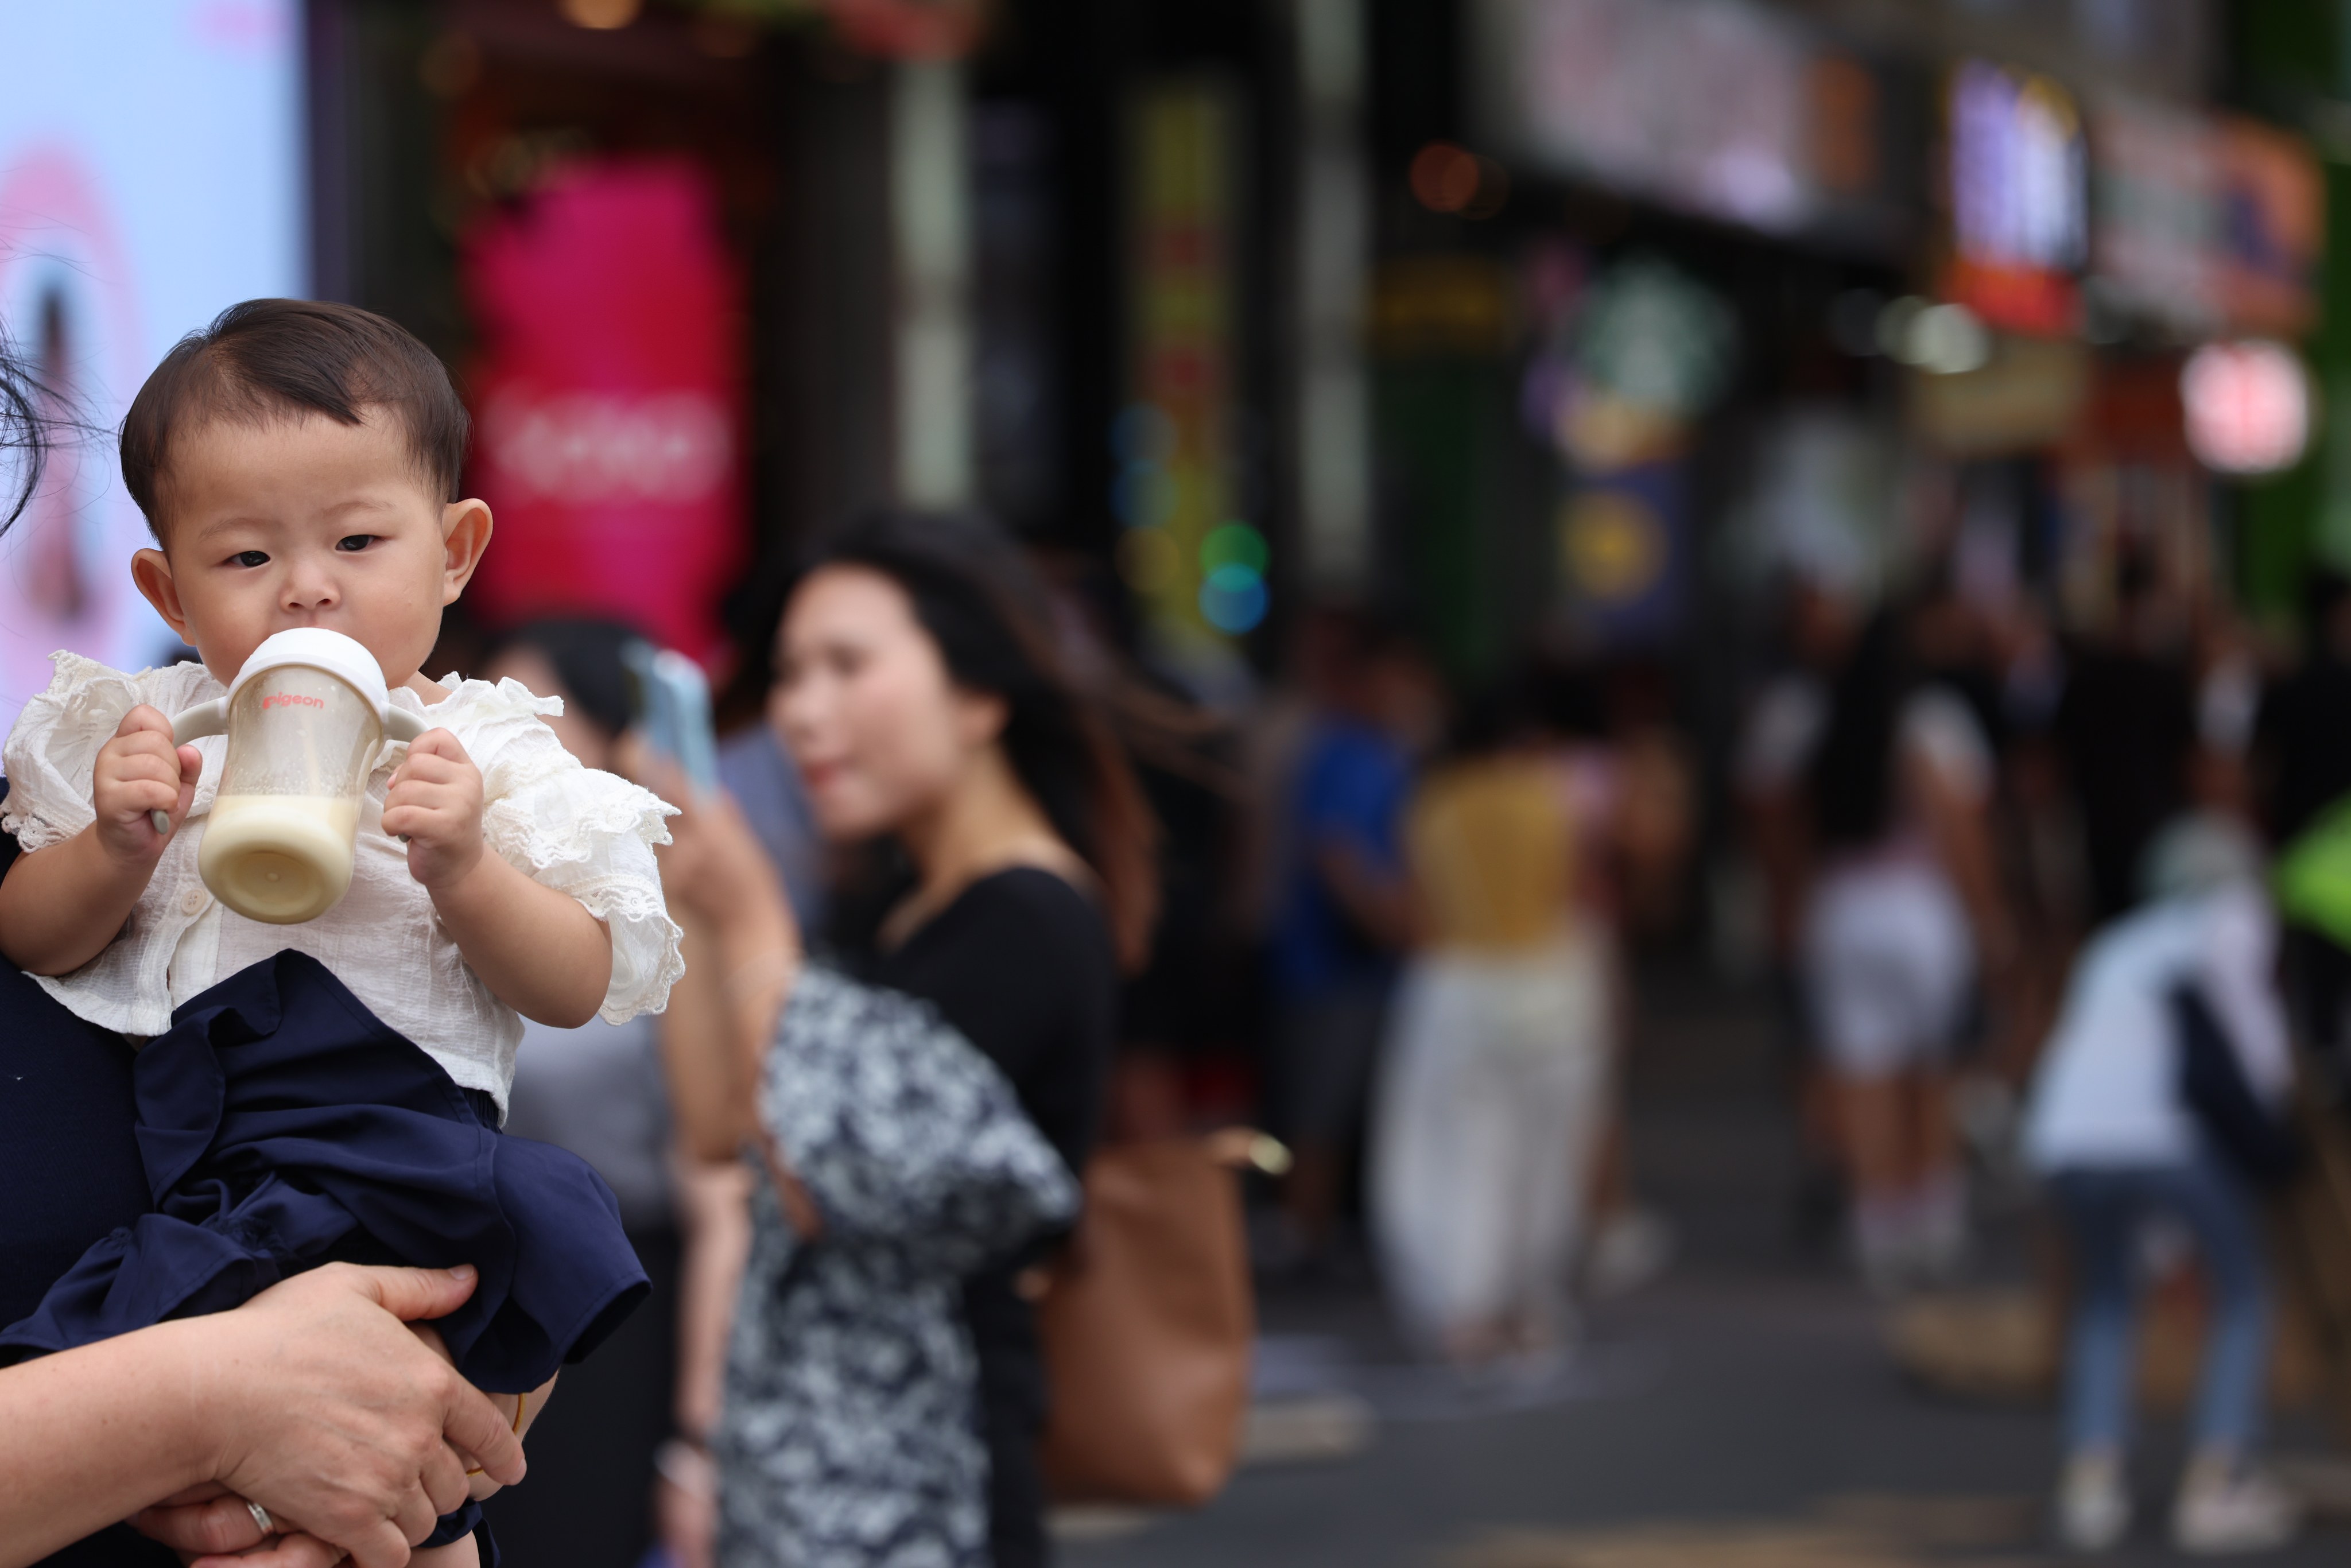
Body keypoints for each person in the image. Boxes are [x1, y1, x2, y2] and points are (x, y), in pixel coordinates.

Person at [0, 300, 678, 1565]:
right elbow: (31, 935)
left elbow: (579, 980)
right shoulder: (144, 734)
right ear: (165, 585)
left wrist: (469, 869)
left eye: (360, 540)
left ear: (456, 550)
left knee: (406, 1457)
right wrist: (111, 846)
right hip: (208, 1142)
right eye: (245, 559)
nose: (308, 586)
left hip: (403, 1149)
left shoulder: (490, 753)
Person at [667, 510, 1149, 1568]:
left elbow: (818, 1172)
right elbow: (717, 1126)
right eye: (790, 675)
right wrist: (689, 903)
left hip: (928, 1490)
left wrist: (750, 912)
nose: (800, 713)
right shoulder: (893, 903)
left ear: (979, 695)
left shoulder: (1030, 914)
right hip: (820, 1489)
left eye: (846, 665)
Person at [2022, 816, 2301, 1554]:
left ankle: (2092, 1480)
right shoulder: (2235, 923)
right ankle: (2220, 1477)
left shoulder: (2114, 944)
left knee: (2106, 1298)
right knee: (2241, 1293)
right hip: (2168, 1138)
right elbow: (2257, 1058)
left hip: (2063, 1139)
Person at [1747, 593, 2008, 1290]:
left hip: (1839, 907)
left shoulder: (1807, 716)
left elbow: (1775, 822)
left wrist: (1788, 909)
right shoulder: (1934, 722)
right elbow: (1962, 827)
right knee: (1930, 1069)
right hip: (1921, 907)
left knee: (1861, 1072)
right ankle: (1932, 1216)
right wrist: (1988, 918)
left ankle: (1877, 1222)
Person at [1369, 679, 1612, 1365]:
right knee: (1545, 1154)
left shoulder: (1434, 802)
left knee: (1457, 1154)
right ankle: (1526, 1300)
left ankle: (1461, 1305)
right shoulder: (1551, 798)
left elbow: (1417, 909)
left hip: (1457, 985)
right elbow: (1577, 894)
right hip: (1552, 980)